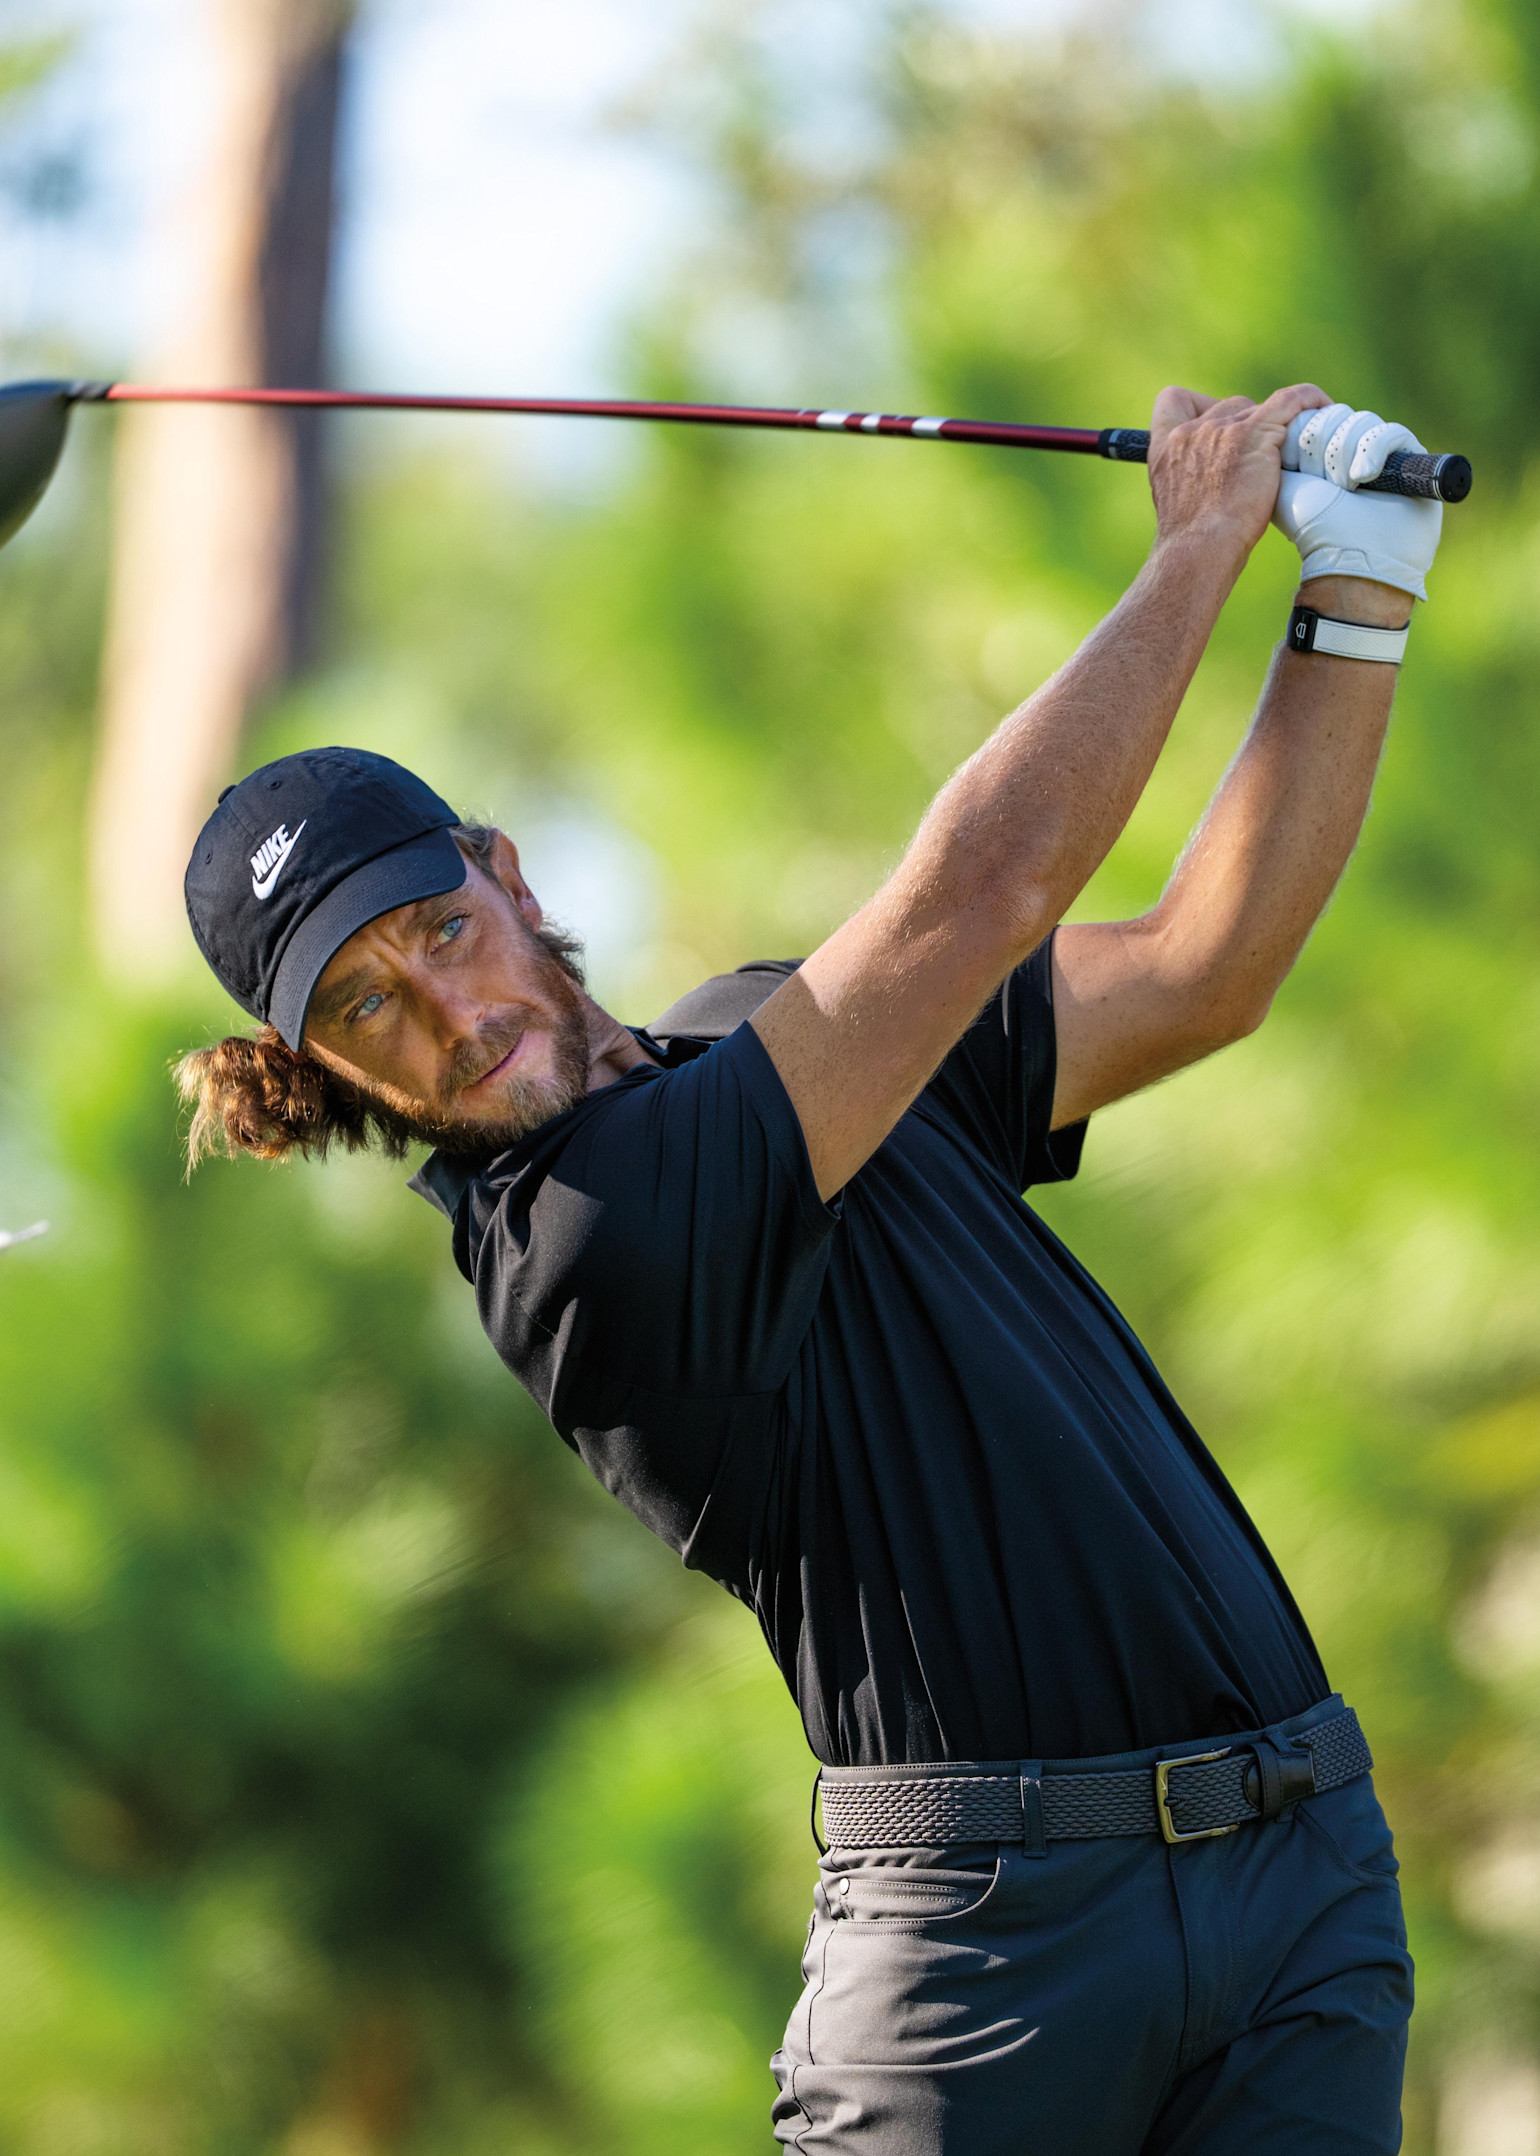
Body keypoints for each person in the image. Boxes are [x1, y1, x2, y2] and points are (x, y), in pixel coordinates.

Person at [176, 386, 1440, 2155]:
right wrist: (1199, 542)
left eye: (444, 931)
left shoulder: (769, 1034)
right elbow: (988, 881)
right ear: (322, 1075)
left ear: (506, 873)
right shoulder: (579, 1240)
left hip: (1297, 1863)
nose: (452, 1015)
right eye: (368, 1007)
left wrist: (1361, 590)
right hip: (992, 1954)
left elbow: (1202, 968)